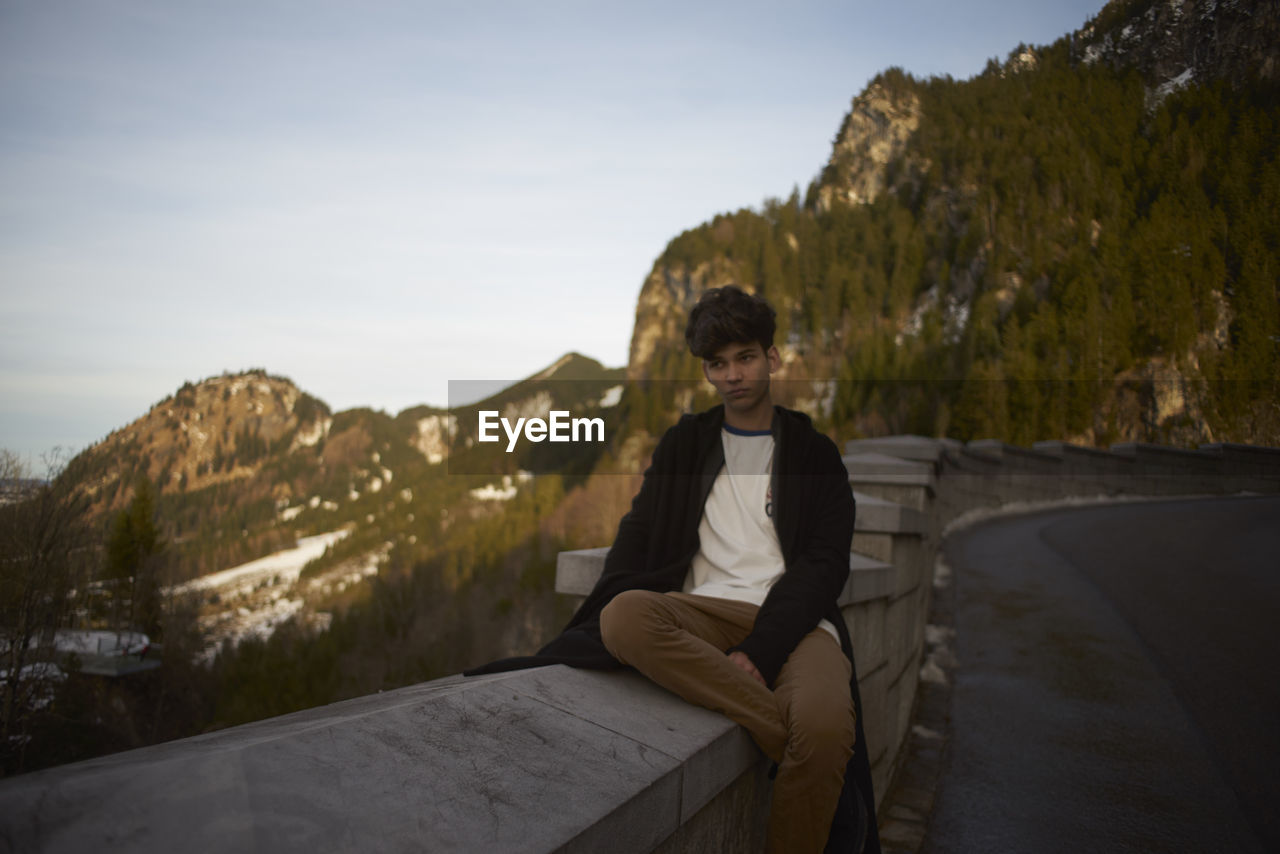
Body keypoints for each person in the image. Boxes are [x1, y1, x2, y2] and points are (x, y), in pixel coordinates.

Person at [469, 285, 879, 853]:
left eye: (746, 357)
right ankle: (791, 738)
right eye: (718, 364)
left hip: (799, 623)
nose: (733, 375)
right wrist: (589, 616)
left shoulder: (815, 453)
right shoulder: (686, 444)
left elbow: (825, 564)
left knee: (829, 725)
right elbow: (638, 534)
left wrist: (759, 652)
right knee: (624, 618)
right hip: (700, 612)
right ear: (706, 371)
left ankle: (802, 743)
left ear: (772, 357)